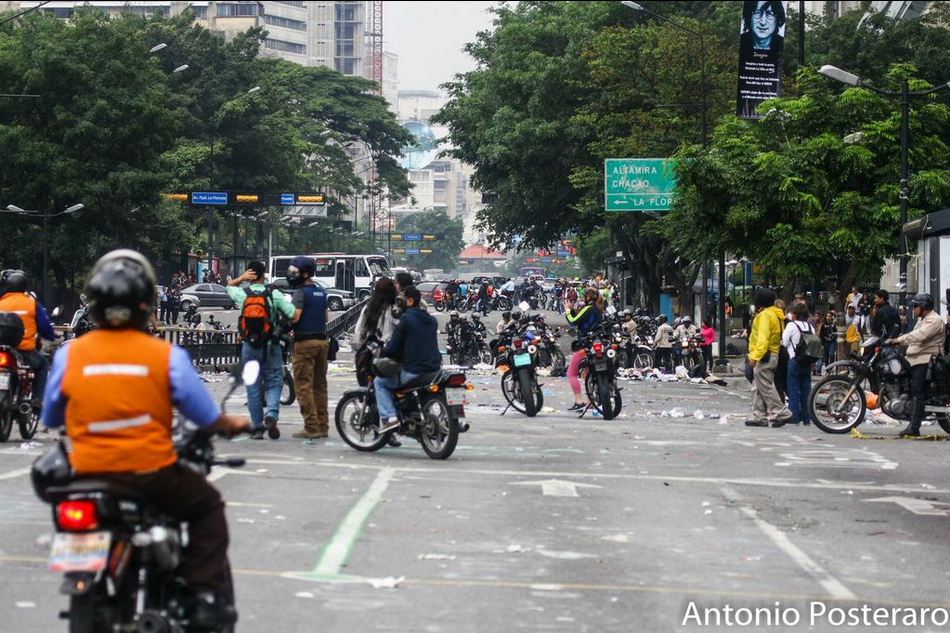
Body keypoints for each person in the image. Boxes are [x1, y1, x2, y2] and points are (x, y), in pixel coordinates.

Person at [41, 250, 249, 627]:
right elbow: (203, 416)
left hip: (87, 474)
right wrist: (229, 425)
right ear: (146, 305)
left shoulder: (69, 354)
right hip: (150, 473)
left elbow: (51, 416)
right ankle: (203, 594)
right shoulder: (165, 355)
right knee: (208, 507)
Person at [227, 261, 295, 440]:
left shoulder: (243, 294)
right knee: (273, 381)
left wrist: (240, 278)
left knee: (252, 385)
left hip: (249, 346)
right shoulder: (273, 293)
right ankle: (271, 415)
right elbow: (292, 313)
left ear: (250, 276)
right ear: (264, 276)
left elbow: (229, 286)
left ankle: (257, 427)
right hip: (271, 345)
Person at [376, 286, 441, 433]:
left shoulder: (406, 319)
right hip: (434, 370)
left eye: (402, 300)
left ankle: (390, 418)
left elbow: (392, 348)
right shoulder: (431, 320)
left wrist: (382, 352)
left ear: (410, 301)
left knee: (380, 382)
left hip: (414, 370)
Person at [886, 293, 944, 437]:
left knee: (917, 391)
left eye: (916, 306)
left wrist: (898, 340)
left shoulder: (934, 320)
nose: (914, 309)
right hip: (915, 358)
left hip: (925, 360)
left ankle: (914, 427)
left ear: (923, 307)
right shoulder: (924, 319)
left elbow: (919, 336)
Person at [287, 256, 330, 440]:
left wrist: (283, 316)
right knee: (320, 385)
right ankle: (323, 425)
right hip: (322, 342)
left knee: (303, 385)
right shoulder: (321, 292)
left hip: (305, 343)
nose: (291, 275)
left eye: (295, 272)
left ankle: (311, 426)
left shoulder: (300, 293)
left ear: (305, 274)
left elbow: (295, 317)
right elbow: (326, 318)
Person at [0, 269, 55, 407]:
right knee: (42, 365)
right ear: (25, 287)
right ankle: (37, 399)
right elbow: (44, 327)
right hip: (24, 351)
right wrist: (50, 336)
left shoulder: (1, 302)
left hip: (3, 350)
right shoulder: (32, 304)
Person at [745, 287, 792, 427]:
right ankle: (759, 415)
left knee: (765, 387)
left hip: (764, 355)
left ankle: (782, 412)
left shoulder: (765, 316)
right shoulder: (776, 314)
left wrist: (754, 357)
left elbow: (762, 339)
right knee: (757, 386)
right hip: (773, 354)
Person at [565, 288, 603, 411]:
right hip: (596, 345)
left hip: (584, 345)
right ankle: (591, 402)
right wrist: (572, 310)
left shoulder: (588, 309)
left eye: (584, 297)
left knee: (571, 373)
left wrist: (567, 311)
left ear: (588, 297)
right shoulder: (599, 310)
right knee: (588, 374)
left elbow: (573, 321)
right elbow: (583, 320)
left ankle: (579, 401)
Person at [782, 303, 815, 425]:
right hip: (807, 361)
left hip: (794, 360)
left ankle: (794, 416)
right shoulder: (810, 327)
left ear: (794, 314)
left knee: (793, 389)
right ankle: (807, 417)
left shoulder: (791, 325)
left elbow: (784, 342)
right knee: (806, 389)